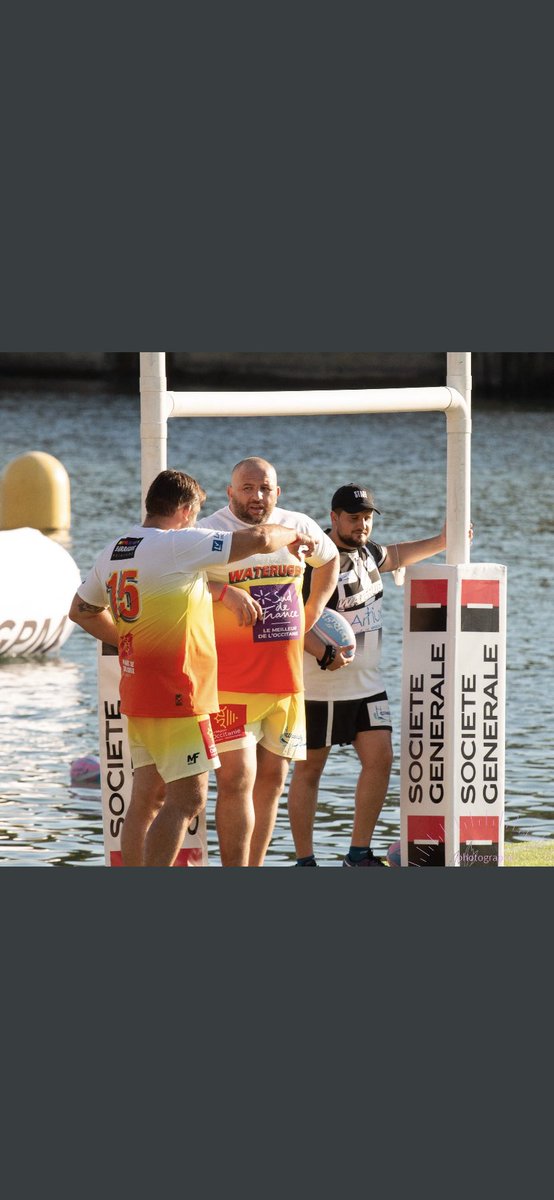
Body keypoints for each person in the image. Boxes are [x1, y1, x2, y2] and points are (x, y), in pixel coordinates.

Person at [68, 468, 317, 867]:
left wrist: (130, 642)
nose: (195, 521)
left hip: (138, 692)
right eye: (195, 514)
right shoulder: (178, 543)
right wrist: (293, 533)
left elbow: (81, 611)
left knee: (146, 799)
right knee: (188, 799)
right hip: (179, 695)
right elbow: (260, 538)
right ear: (185, 510)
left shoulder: (116, 548)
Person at [287, 482, 460, 867]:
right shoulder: (316, 561)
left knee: (380, 759)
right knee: (310, 770)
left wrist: (442, 540)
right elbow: (293, 619)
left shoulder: (368, 553)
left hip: (366, 686)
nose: (362, 525)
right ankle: (305, 861)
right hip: (320, 688)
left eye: (367, 518)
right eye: (353, 518)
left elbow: (396, 556)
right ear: (334, 518)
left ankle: (358, 855)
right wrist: (323, 652)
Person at [197, 457, 339, 867]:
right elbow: (175, 577)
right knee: (236, 780)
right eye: (247, 488)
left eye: (264, 488)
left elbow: (330, 559)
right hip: (229, 684)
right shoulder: (209, 531)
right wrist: (224, 593)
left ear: (278, 492)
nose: (256, 496)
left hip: (285, 683)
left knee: (273, 783)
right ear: (230, 492)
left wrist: (313, 610)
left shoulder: (299, 525)